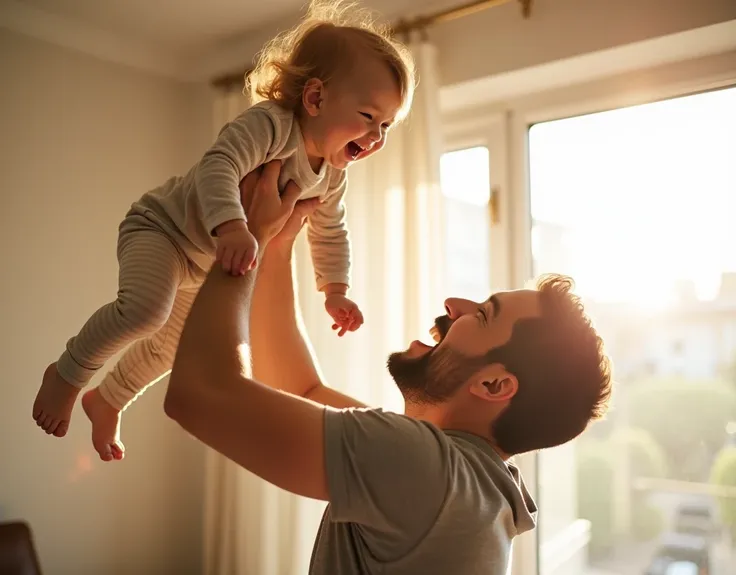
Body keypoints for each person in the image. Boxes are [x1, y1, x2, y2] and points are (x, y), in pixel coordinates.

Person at [163, 161, 614, 575]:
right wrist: (278, 247)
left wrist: (248, 239)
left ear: (494, 384)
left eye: (482, 314)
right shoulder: (471, 482)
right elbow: (303, 389)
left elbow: (198, 394)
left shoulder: (428, 469)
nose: (454, 304)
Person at [31, 0, 416, 462]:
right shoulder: (272, 125)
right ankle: (68, 373)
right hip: (164, 230)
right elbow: (219, 165)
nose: (377, 137)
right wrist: (234, 226)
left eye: (388, 125)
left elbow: (330, 231)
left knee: (173, 347)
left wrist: (335, 289)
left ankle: (109, 398)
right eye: (369, 117)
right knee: (146, 312)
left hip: (205, 261)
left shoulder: (333, 174)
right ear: (315, 98)